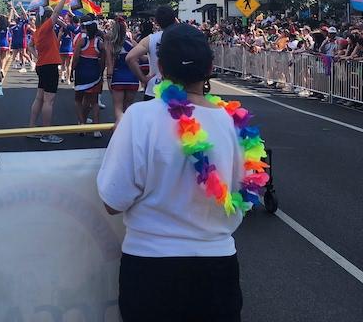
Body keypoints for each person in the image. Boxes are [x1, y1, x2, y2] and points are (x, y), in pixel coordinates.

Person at [97, 24, 266, 322]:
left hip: (151, 268)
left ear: (160, 68)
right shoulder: (237, 126)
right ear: (210, 68)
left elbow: (113, 201)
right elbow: (246, 196)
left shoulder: (140, 117)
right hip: (217, 271)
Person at [27, 0, 69, 144]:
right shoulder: (45, 28)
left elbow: (30, 46)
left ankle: (32, 129)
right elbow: (57, 12)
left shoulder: (38, 31)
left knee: (39, 98)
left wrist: (37, 56)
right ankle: (46, 133)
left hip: (42, 65)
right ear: (48, 18)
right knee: (48, 100)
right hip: (49, 66)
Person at [126, 6, 177, 101]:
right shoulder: (184, 37)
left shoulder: (150, 39)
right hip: (179, 90)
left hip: (155, 87)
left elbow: (130, 58)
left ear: (156, 22)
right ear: (174, 19)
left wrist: (143, 79)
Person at [71, 17, 106, 137]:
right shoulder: (100, 44)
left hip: (81, 73)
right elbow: (103, 62)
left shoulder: (82, 41)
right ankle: (96, 129)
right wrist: (101, 73)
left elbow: (75, 58)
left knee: (78, 100)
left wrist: (72, 71)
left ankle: (82, 125)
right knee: (94, 102)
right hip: (94, 74)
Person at [106, 16, 139, 124]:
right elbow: (143, 58)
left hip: (118, 78)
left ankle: (119, 129)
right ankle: (128, 129)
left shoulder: (111, 44)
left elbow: (110, 65)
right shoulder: (133, 43)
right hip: (132, 78)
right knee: (128, 107)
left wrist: (109, 80)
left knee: (118, 107)